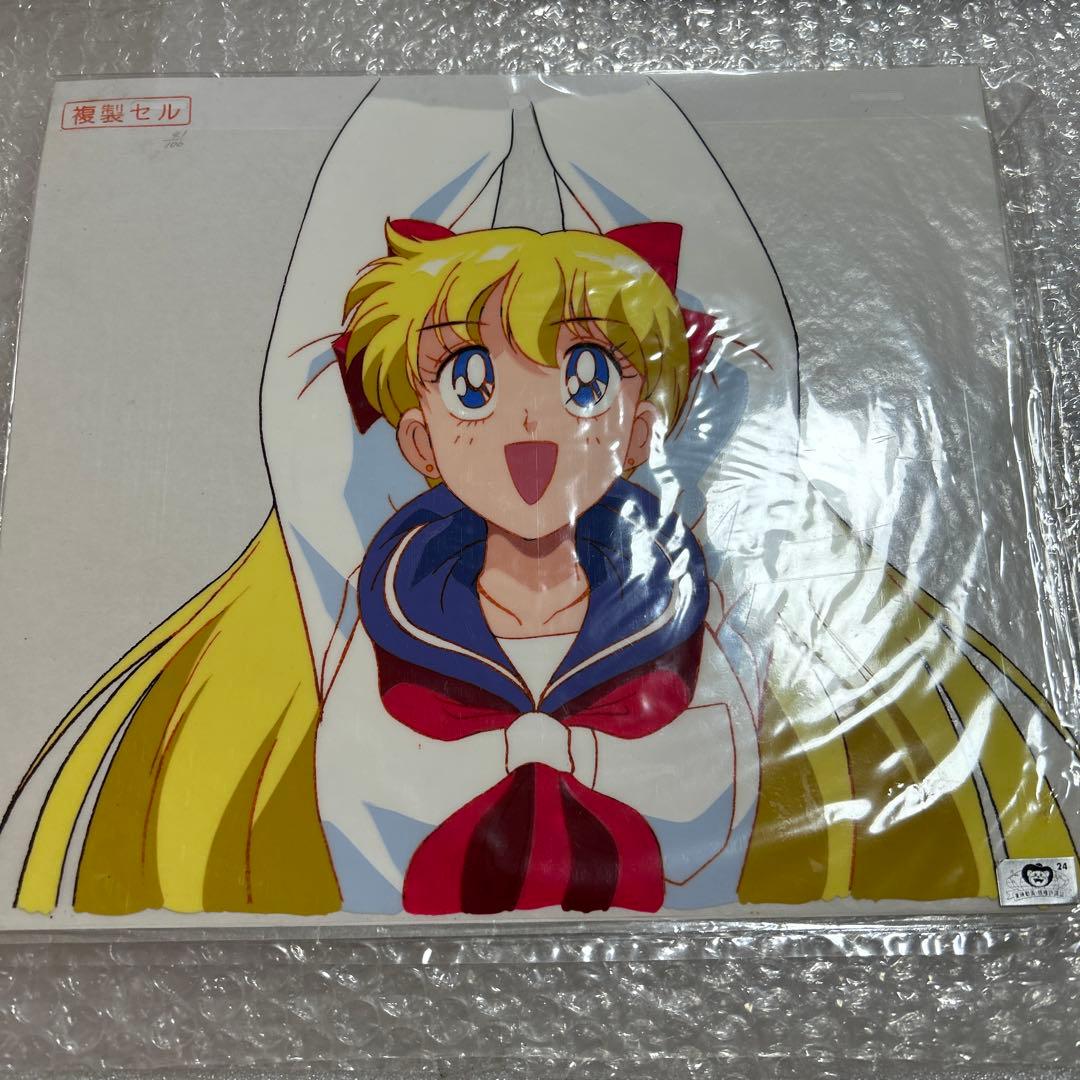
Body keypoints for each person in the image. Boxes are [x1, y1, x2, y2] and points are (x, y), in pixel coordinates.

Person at [6, 77, 1075, 916]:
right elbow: (311, 386)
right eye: (474, 382)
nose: (530, 424)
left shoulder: (709, 589)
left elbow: (747, 363)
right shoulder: (360, 599)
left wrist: (602, 97)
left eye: (584, 378)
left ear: (645, 427)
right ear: (417, 437)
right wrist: (445, 95)